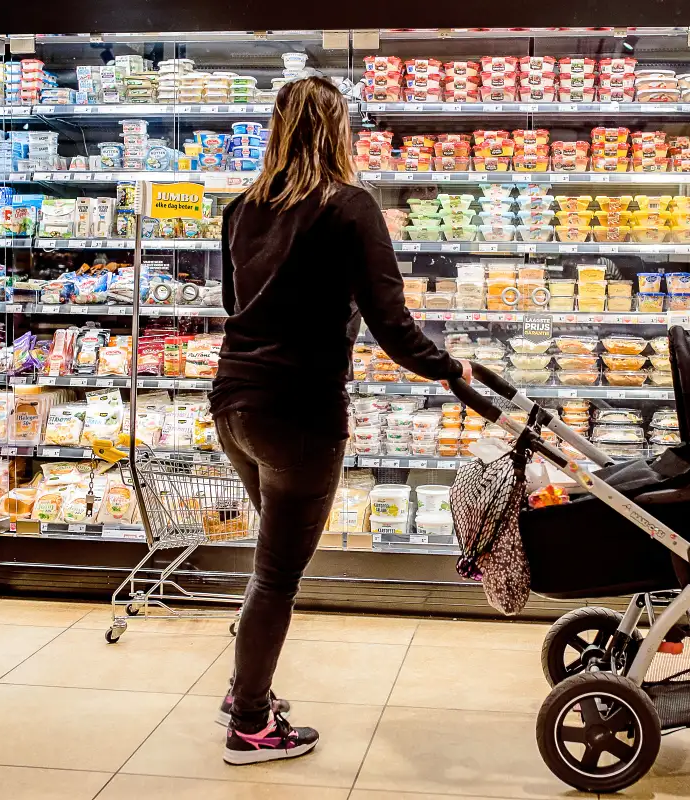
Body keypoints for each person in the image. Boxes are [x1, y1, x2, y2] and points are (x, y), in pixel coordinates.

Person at [209, 75, 470, 765]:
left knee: (271, 560)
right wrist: (448, 368)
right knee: (276, 576)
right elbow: (391, 321)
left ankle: (245, 692)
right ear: (338, 132)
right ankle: (251, 725)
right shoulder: (349, 206)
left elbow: (236, 304)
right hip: (299, 411)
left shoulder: (240, 208)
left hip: (232, 403)